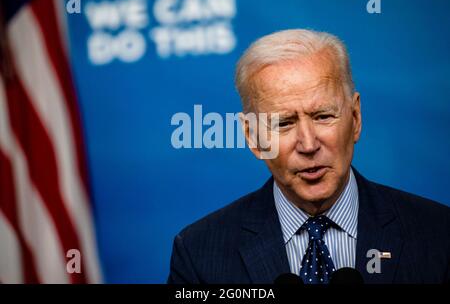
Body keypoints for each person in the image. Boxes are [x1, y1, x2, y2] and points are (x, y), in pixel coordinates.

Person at [167, 29, 450, 284]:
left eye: (323, 116)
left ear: (355, 117)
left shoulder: (438, 234)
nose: (308, 143)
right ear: (253, 137)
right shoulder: (198, 254)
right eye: (284, 123)